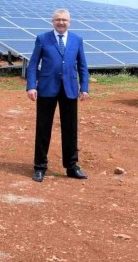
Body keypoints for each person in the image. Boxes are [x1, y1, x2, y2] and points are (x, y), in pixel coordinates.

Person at [26, 9, 90, 182]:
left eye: (64, 20)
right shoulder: (42, 38)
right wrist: (31, 86)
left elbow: (82, 65)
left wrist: (84, 87)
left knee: (70, 129)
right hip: (47, 88)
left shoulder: (77, 40)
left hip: (69, 88)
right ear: (52, 21)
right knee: (43, 128)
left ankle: (71, 166)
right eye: (58, 20)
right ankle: (40, 166)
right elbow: (33, 64)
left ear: (70, 22)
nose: (61, 22)